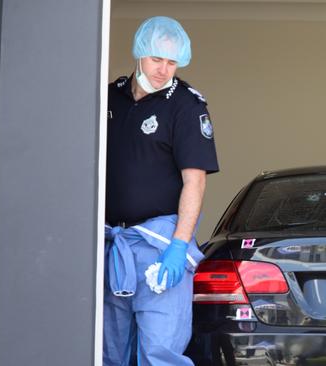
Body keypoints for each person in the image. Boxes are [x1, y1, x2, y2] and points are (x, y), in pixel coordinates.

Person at [104, 16, 218, 366]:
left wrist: (178, 246)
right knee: (109, 350)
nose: (163, 69)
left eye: (172, 62)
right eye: (157, 59)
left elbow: (195, 181)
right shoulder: (109, 97)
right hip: (112, 245)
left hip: (160, 245)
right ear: (139, 54)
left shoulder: (185, 105)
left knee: (160, 352)